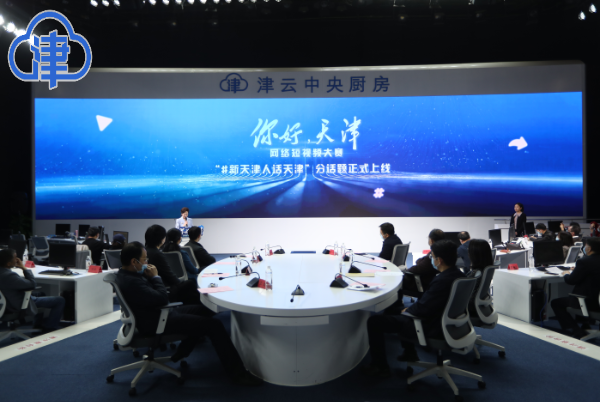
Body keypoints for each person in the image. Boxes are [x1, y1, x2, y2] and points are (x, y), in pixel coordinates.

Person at [115, 242, 261, 385]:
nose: (147, 262)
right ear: (134, 261)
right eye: (144, 259)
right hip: (157, 321)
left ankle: (183, 350)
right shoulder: (132, 282)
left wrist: (150, 279)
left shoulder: (126, 274)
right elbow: (162, 299)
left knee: (206, 309)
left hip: (158, 313)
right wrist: (155, 277)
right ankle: (238, 374)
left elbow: (153, 297)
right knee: (214, 325)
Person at [362, 240, 465, 377]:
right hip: (444, 321)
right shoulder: (458, 275)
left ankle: (380, 367)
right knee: (395, 309)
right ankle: (409, 352)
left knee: (374, 322)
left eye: (432, 256)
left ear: (439, 260)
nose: (431, 259)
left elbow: (423, 308)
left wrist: (408, 311)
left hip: (429, 324)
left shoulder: (441, 281)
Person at [0, 248, 65, 333]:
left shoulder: (3, 273)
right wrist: (24, 268)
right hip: (17, 305)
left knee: (41, 293)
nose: (17, 259)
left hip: (6, 303)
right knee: (60, 300)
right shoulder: (9, 276)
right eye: (15, 258)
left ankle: (37, 324)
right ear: (8, 263)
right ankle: (50, 327)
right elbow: (32, 284)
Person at [384, 229, 445, 314]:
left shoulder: (433, 254)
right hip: (427, 280)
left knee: (395, 280)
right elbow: (420, 261)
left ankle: (393, 309)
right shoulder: (441, 251)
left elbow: (418, 268)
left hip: (420, 282)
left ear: (431, 240)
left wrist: (408, 270)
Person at [550, 238, 600, 339]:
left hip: (588, 302)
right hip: (597, 301)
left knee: (556, 303)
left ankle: (576, 330)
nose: (584, 247)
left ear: (589, 248)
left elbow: (571, 281)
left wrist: (566, 274)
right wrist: (577, 270)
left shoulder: (584, 262)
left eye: (586, 246)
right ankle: (585, 325)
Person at [145, 224, 202, 306]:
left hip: (153, 286)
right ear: (162, 239)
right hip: (163, 287)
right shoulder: (157, 254)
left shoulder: (146, 251)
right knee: (190, 284)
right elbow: (170, 276)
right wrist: (180, 282)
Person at [465, 239, 495, 315]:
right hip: (480, 306)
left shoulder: (474, 275)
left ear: (474, 254)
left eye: (469, 251)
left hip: (469, 307)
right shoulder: (485, 270)